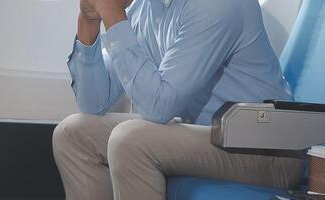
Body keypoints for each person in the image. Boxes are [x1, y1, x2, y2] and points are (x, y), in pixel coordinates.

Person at [52, 0, 305, 199]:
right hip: (206, 136)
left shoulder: (218, 5)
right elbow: (94, 102)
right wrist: (89, 22)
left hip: (266, 149)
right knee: (73, 133)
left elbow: (159, 107)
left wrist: (112, 14)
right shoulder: (146, 8)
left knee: (131, 140)